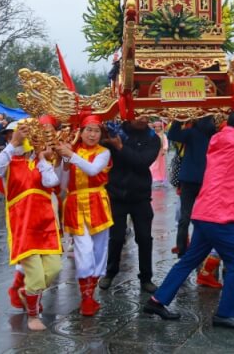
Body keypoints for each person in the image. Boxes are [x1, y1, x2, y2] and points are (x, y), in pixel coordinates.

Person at [144, 75, 234, 328]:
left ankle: (157, 301)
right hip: (220, 214)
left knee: (188, 261)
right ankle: (226, 313)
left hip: (205, 212)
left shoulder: (219, 138)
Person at [0, 121, 62, 331]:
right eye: (15, 134)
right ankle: (33, 315)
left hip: (46, 225)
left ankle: (27, 292)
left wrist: (41, 158)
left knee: (54, 268)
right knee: (37, 277)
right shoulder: (8, 160)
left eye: (25, 134)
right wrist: (12, 144)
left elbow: (51, 182)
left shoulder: (40, 161)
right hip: (22, 228)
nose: (23, 138)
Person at [55, 115, 113, 316]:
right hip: (75, 203)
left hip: (97, 202)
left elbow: (93, 169)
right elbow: (62, 180)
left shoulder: (103, 152)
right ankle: (86, 298)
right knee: (84, 250)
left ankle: (90, 294)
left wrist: (70, 155)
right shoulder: (72, 150)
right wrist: (62, 158)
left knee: (98, 250)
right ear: (80, 131)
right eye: (88, 130)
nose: (92, 134)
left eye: (96, 131)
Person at [100, 113, 161, 293]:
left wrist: (120, 147)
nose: (143, 119)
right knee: (116, 238)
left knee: (144, 238)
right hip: (116, 194)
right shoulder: (113, 132)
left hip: (141, 196)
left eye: (146, 115)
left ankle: (146, 278)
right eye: (138, 114)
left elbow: (143, 162)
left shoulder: (153, 138)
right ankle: (110, 273)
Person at [166, 115, 216, 257]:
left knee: (184, 217)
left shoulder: (192, 132)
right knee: (205, 217)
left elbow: (172, 134)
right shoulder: (216, 134)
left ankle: (182, 250)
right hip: (207, 179)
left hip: (188, 179)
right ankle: (202, 248)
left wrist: (178, 117)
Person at [149, 120, 168, 186]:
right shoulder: (152, 135)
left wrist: (164, 149)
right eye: (155, 127)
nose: (157, 128)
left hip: (161, 153)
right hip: (154, 152)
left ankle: (161, 178)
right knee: (153, 165)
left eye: (158, 127)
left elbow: (165, 143)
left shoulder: (163, 135)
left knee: (161, 166)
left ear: (161, 127)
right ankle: (153, 177)